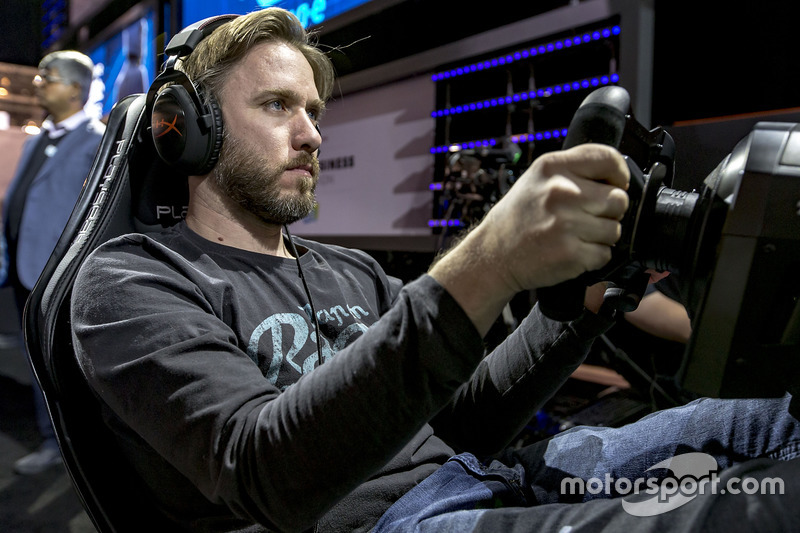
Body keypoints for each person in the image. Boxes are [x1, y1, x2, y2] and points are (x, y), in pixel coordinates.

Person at [69, 8, 800, 532]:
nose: (313, 133)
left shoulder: (347, 270)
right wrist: (491, 258)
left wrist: (575, 307)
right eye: (277, 105)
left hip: (481, 479)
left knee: (782, 419)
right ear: (189, 131)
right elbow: (269, 474)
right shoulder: (130, 282)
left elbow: (462, 421)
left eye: (315, 110)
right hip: (384, 522)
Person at [1, 50, 105, 475]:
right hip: (25, 271)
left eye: (49, 76)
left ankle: (80, 449)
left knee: (68, 365)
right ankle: (53, 442)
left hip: (61, 277)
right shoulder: (37, 138)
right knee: (37, 362)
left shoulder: (97, 140)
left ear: (75, 88)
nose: (40, 82)